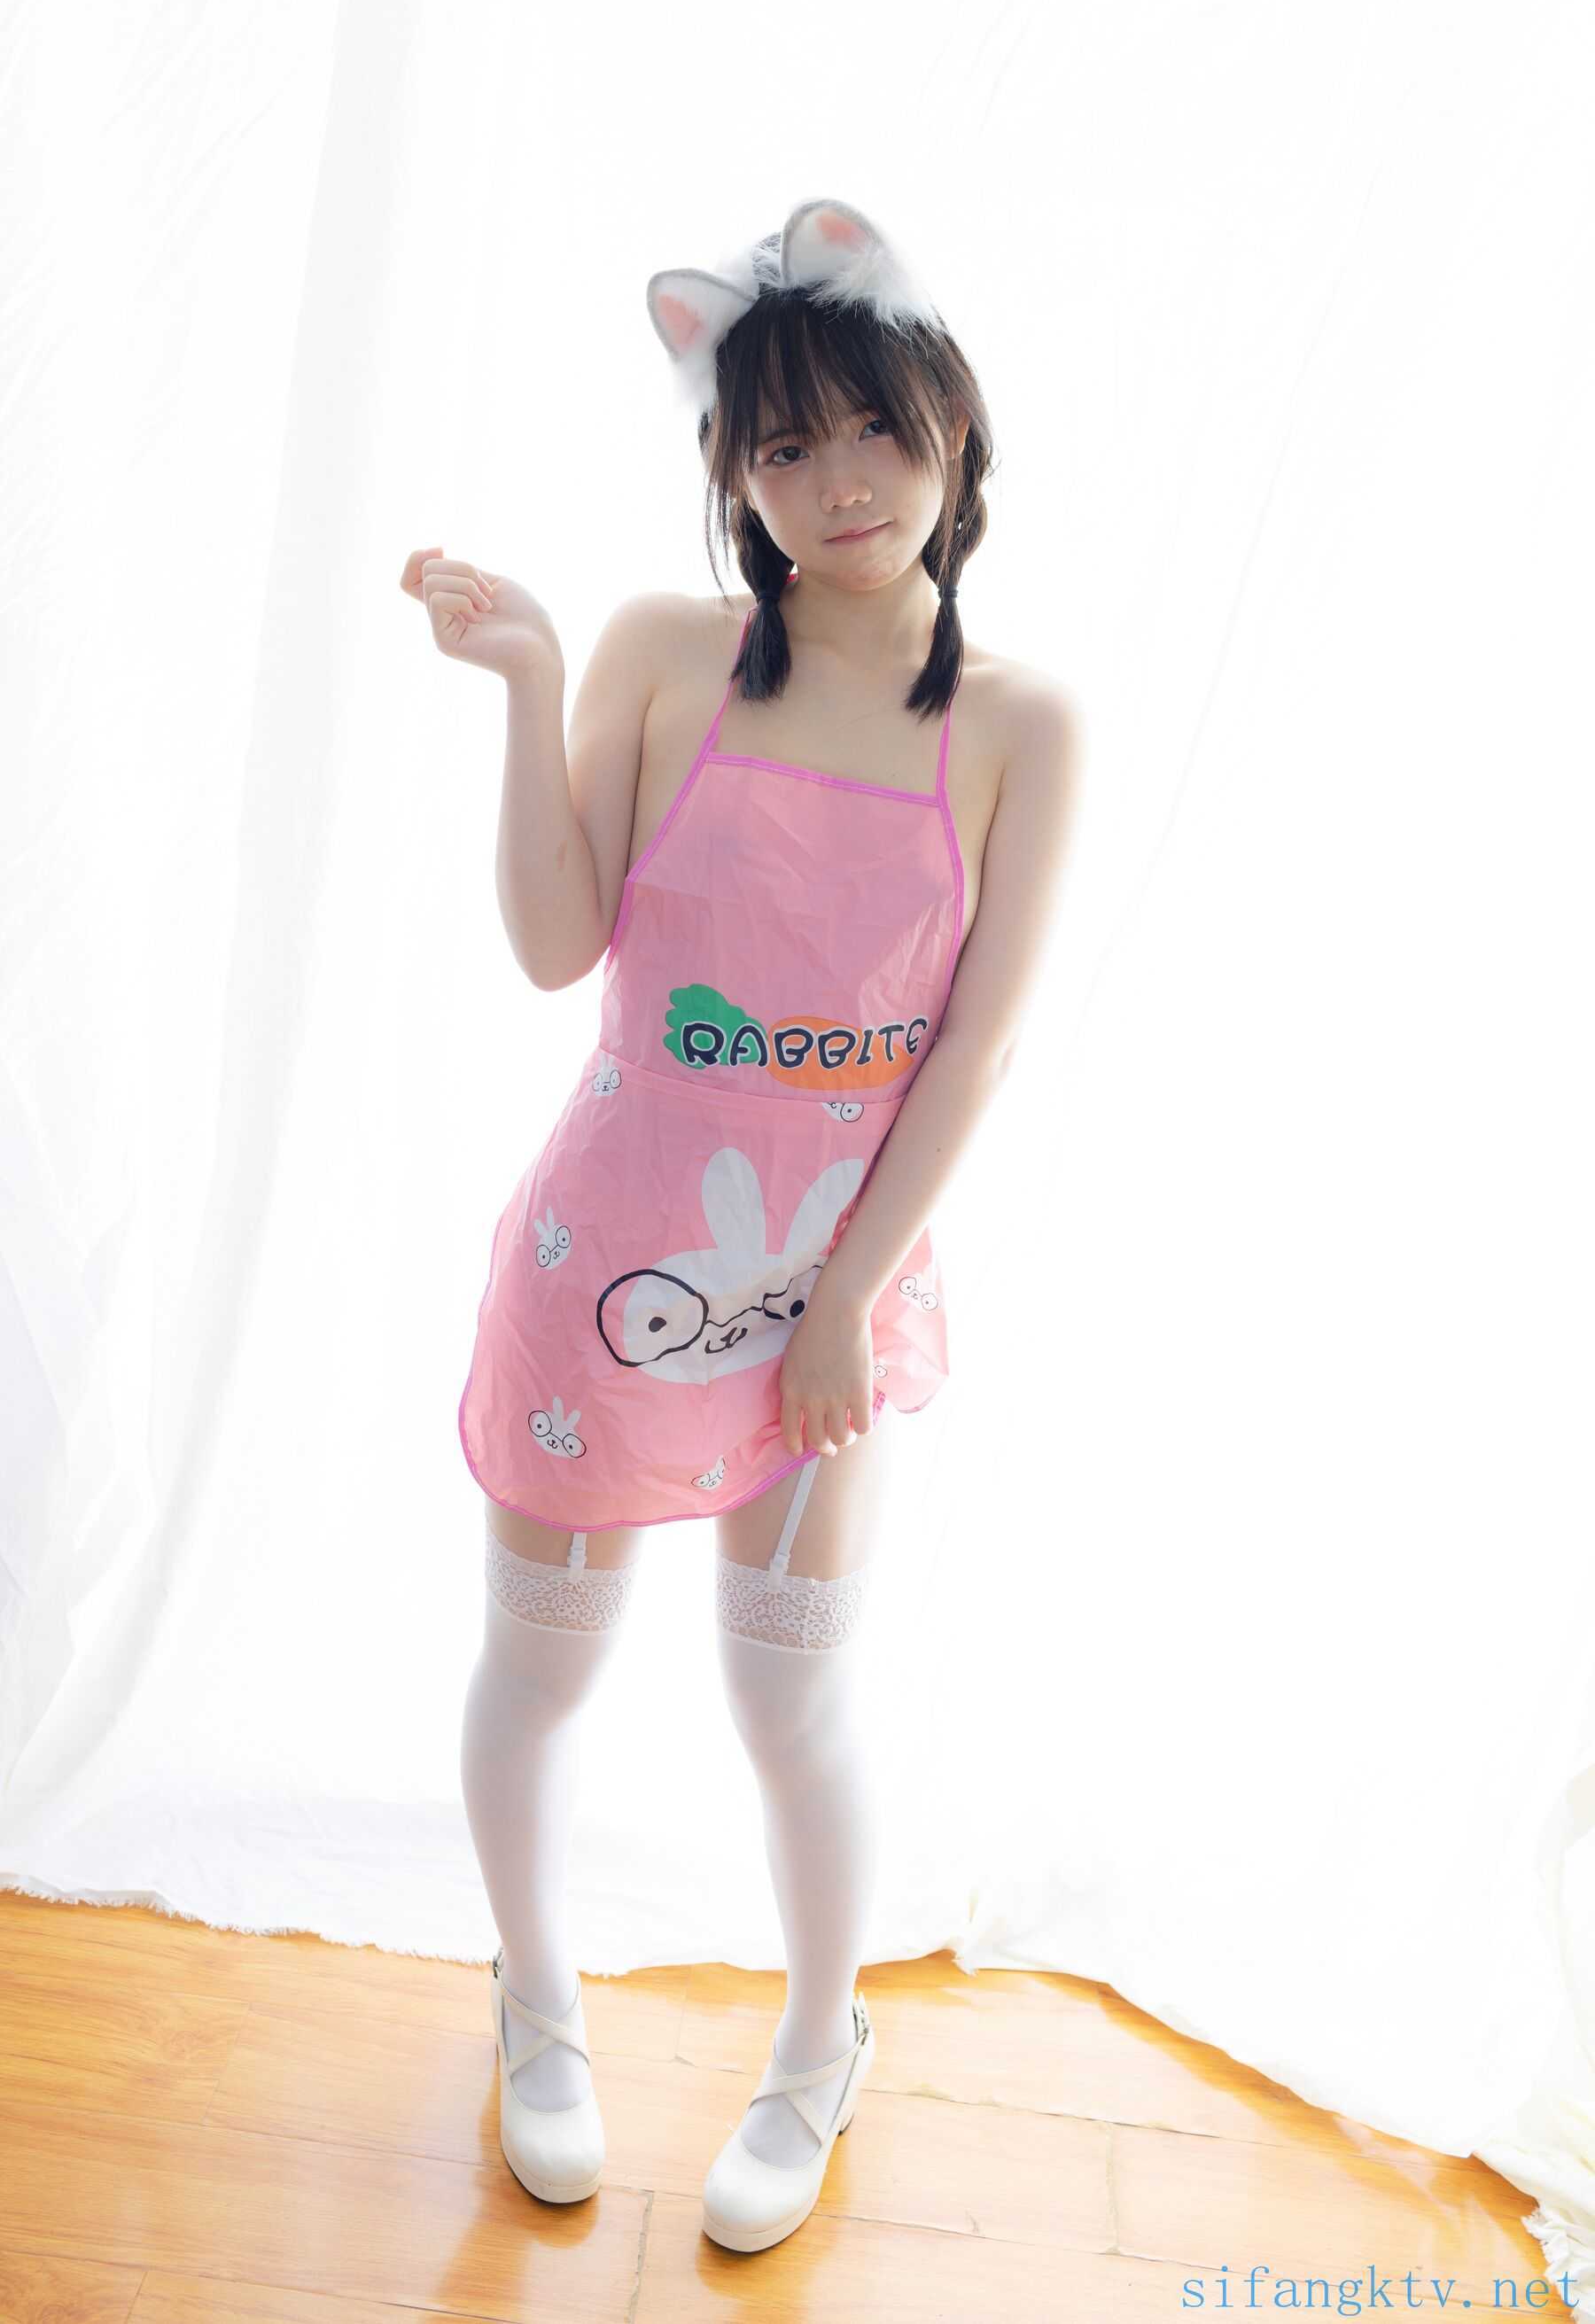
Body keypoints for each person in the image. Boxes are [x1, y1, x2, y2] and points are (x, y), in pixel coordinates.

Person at [399, 196, 1084, 2254]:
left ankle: (815, 2049)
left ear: (950, 424)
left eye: (872, 428)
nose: (837, 483)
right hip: (597, 1277)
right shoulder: (659, 650)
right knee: (540, 1672)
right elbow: (556, 947)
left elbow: (971, 1055)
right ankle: (538, 2010)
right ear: (734, 474)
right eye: (783, 447)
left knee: (793, 1705)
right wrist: (528, 680)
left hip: (823, 1296)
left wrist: (849, 1300)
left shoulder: (1021, 727)